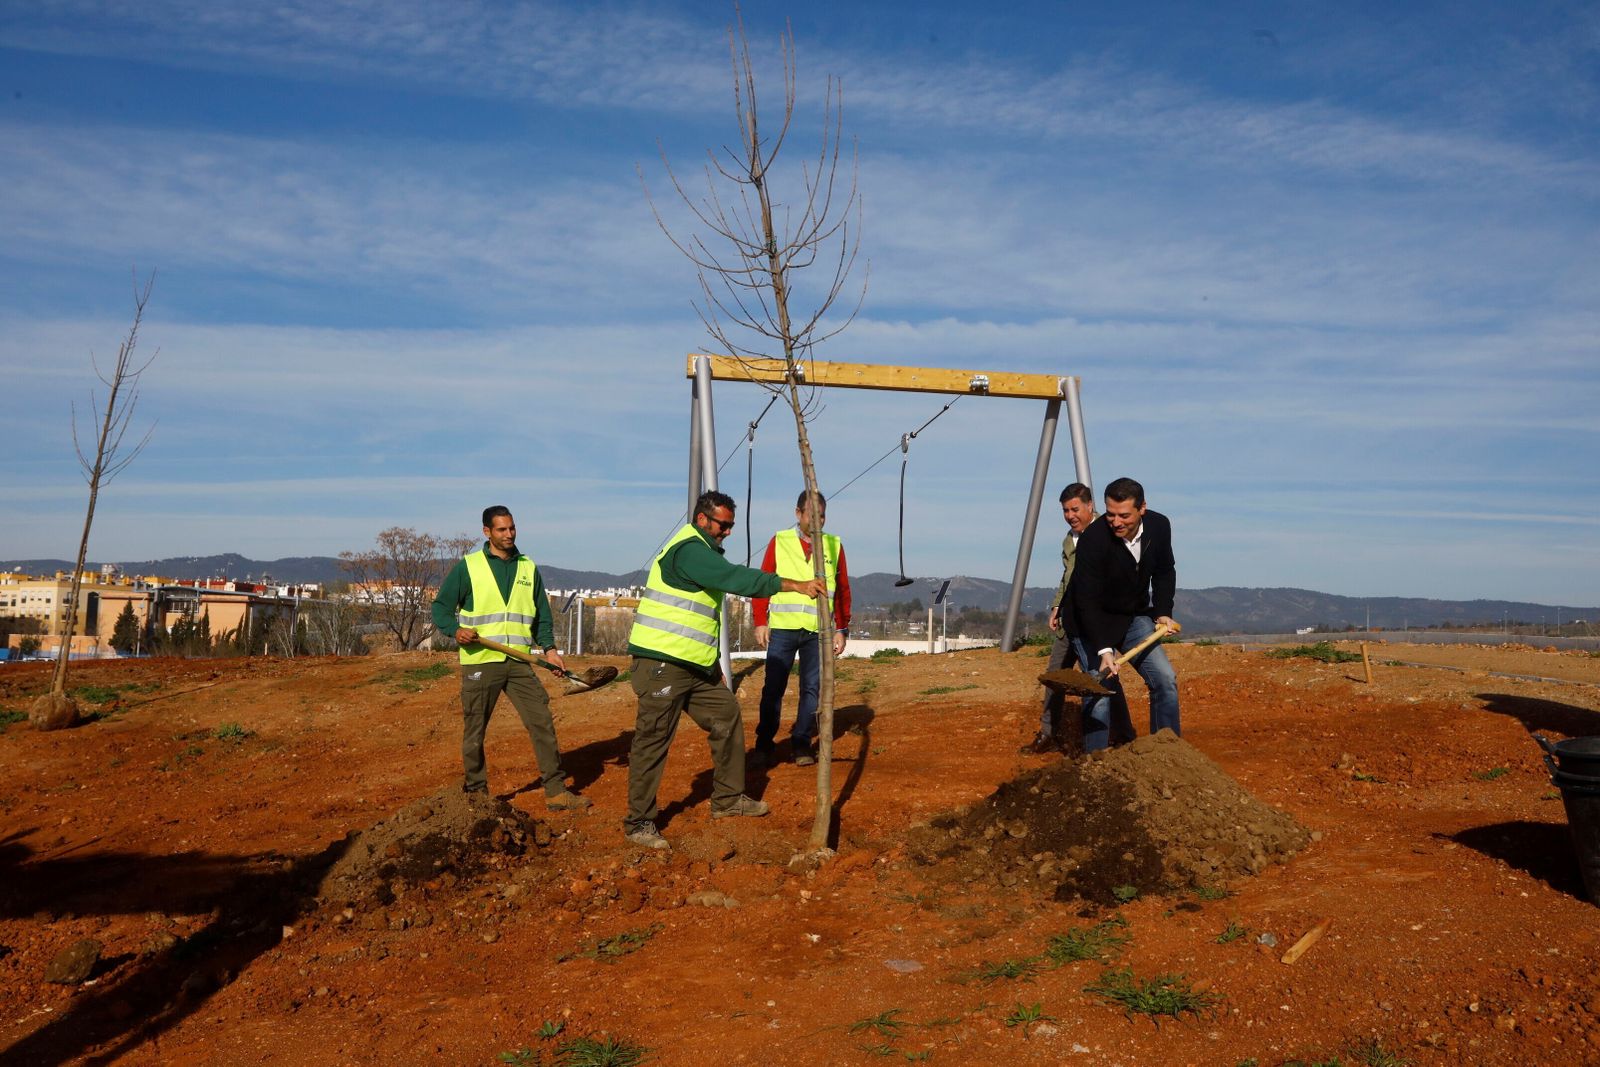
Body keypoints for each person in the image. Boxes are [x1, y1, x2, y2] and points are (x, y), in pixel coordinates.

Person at [623, 490, 828, 850]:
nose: (729, 532)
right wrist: (795, 585)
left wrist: (712, 663)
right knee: (653, 739)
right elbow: (737, 579)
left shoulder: (704, 551)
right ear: (703, 519)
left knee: (726, 714)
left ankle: (728, 798)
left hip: (694, 665)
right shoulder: (690, 550)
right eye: (724, 525)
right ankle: (639, 822)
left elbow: (699, 618)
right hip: (662, 663)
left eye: (731, 525)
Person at [430, 506, 590, 809]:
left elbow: (542, 616)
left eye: (512, 528)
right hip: (480, 659)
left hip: (518, 661)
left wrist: (550, 650)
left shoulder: (528, 567)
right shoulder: (469, 567)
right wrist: (455, 630)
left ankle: (556, 791)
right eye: (502, 529)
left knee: (541, 720)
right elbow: (440, 608)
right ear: (487, 532)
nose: (509, 534)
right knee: (475, 730)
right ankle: (477, 796)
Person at [1070, 478, 1181, 751]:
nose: (1116, 522)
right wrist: (1104, 649)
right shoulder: (1093, 540)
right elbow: (1086, 601)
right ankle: (1095, 761)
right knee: (1100, 687)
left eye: (1124, 515)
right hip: (1089, 621)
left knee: (1165, 679)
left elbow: (1164, 571)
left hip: (1133, 616)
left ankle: (1167, 752)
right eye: (1110, 514)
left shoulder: (1159, 525)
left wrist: (1163, 612)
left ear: (1142, 508)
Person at [752, 490, 852, 768]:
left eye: (822, 516)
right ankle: (764, 744)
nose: (818, 521)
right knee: (773, 688)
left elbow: (842, 590)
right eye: (812, 515)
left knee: (812, 689)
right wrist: (760, 620)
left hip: (817, 632)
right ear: (798, 514)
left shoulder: (834, 545)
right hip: (783, 629)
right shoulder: (780, 541)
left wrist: (841, 628)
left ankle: (801, 742)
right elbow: (762, 582)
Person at [1022, 482, 1123, 754]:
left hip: (1095, 621)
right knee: (1055, 676)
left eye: (1075, 509)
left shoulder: (1108, 532)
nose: (1070, 515)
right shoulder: (1069, 539)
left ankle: (1120, 733)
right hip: (1070, 618)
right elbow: (1067, 577)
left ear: (1090, 506)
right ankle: (1048, 733)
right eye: (1066, 511)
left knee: (1101, 677)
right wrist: (1057, 605)